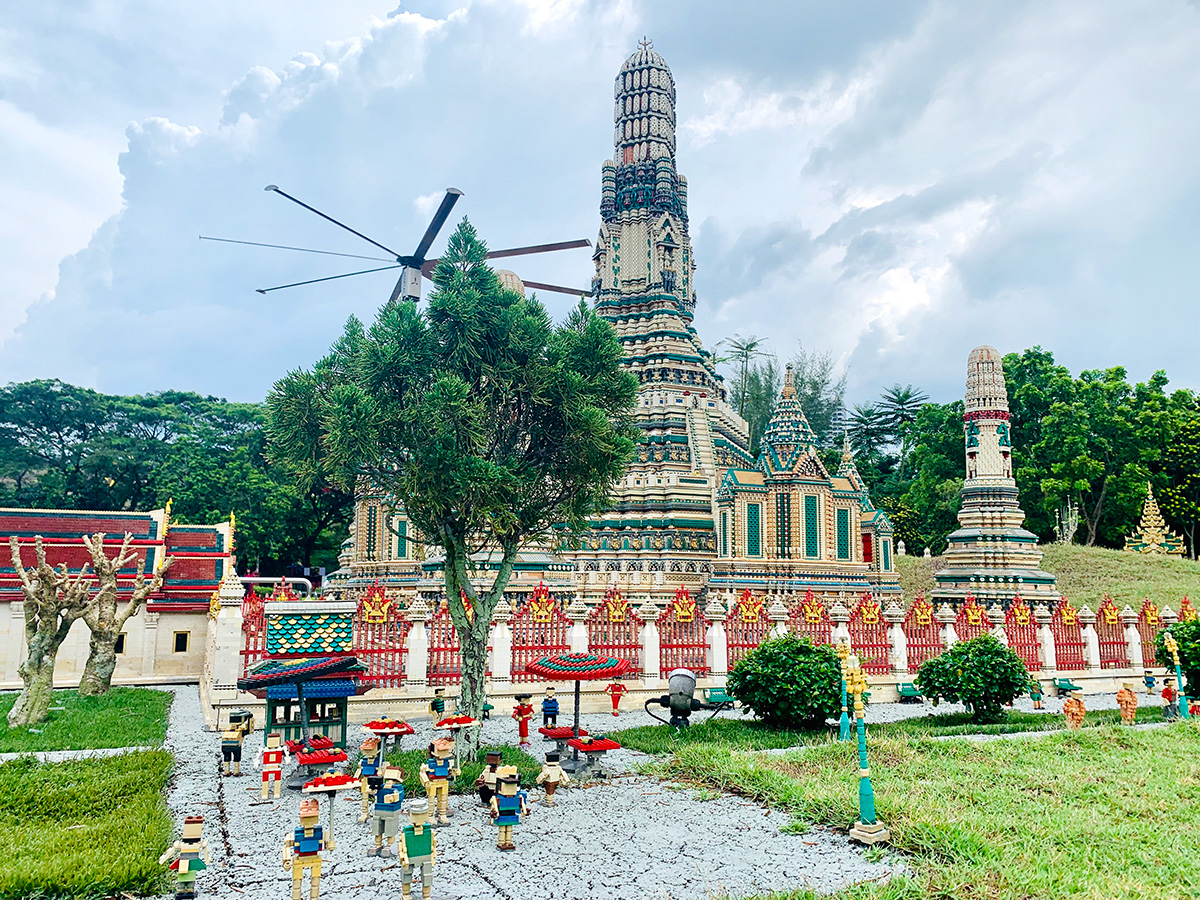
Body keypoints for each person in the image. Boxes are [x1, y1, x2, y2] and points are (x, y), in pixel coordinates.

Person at [159, 815, 210, 900]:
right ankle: (181, 890)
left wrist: (206, 856)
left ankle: (189, 890)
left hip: (192, 862)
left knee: (191, 875)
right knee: (183, 875)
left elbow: (204, 849)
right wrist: (164, 858)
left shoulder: (196, 844)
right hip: (183, 862)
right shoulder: (183, 845)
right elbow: (173, 849)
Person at [282, 799, 324, 900]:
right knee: (297, 882)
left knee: (315, 882)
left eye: (312, 817)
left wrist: (331, 843)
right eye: (306, 817)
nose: (309, 821)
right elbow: (286, 846)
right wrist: (286, 859)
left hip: (315, 859)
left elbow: (327, 842)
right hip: (300, 860)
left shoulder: (319, 833)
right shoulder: (297, 835)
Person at [398, 799, 437, 900]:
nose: (419, 818)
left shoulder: (428, 831)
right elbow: (401, 845)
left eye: (422, 815)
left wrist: (433, 855)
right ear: (410, 815)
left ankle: (426, 895)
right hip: (410, 855)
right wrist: (403, 857)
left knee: (427, 875)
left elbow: (433, 844)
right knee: (407, 873)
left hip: (426, 855)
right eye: (416, 815)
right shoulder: (406, 832)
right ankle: (406, 893)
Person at [419, 737, 459, 825]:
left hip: (444, 781)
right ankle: (430, 816)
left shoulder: (447, 762)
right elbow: (422, 772)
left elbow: (450, 771)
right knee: (431, 800)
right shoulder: (431, 763)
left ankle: (442, 814)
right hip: (433, 783)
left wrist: (455, 772)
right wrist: (426, 782)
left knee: (443, 799)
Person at [489, 766, 530, 851]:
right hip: (503, 815)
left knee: (509, 829)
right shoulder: (497, 798)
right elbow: (494, 806)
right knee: (502, 829)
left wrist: (525, 812)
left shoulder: (518, 797)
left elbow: (521, 806)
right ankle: (501, 842)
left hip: (512, 815)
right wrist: (494, 813)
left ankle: (508, 842)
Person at [369, 766, 406, 857]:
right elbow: (374, 792)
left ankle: (390, 845)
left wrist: (393, 797)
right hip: (379, 809)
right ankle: (378, 844)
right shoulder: (381, 786)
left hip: (391, 810)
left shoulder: (398, 788)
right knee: (377, 826)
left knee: (390, 827)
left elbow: (400, 795)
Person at [355, 736, 383, 823]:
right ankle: (364, 812)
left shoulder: (379, 761)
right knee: (364, 797)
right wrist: (355, 778)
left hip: (375, 781)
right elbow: (360, 769)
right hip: (365, 780)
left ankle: (377, 813)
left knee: (377, 797)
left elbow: (384, 770)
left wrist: (381, 773)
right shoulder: (363, 761)